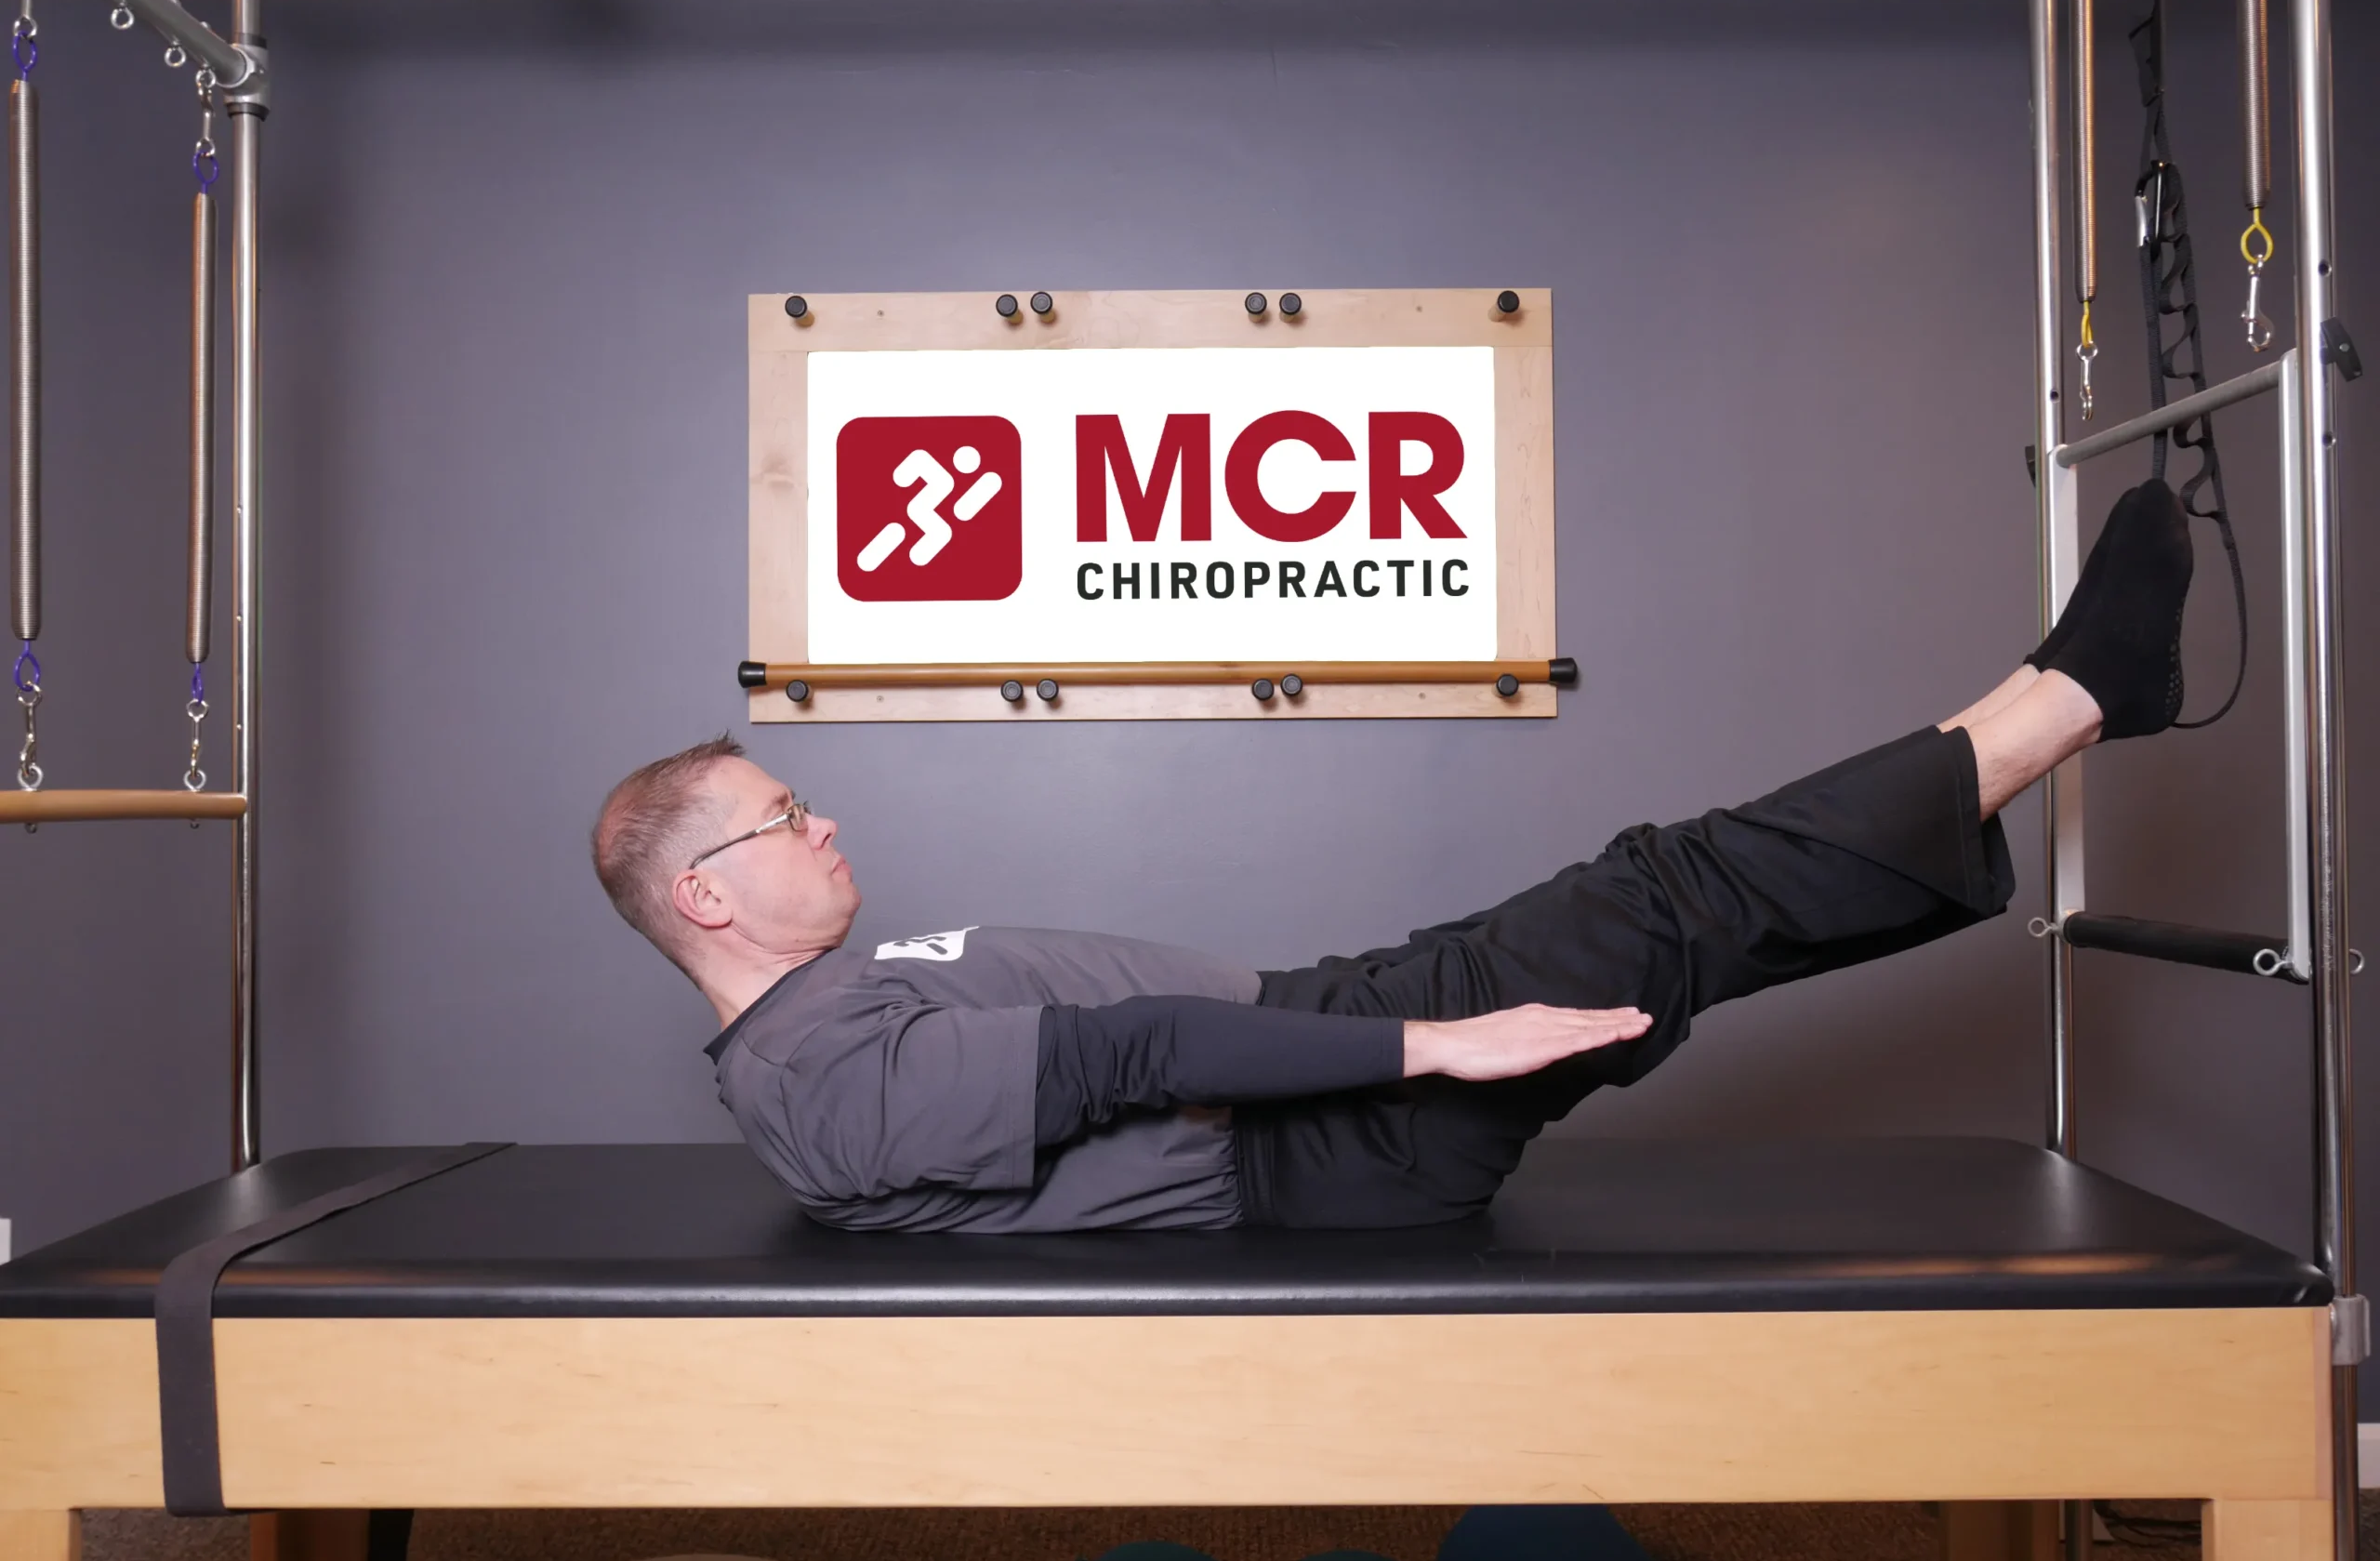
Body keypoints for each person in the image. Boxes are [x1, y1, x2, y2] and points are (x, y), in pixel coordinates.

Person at [592, 481, 2195, 1233]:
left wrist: (1384, 1016)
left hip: (1323, 1034)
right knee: (1670, 897)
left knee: (1679, 912)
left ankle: (2039, 711)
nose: (823, 822)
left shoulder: (821, 1016)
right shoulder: (817, 1080)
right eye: (784, 817)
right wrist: (1440, 1044)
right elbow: (1124, 1053)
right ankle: (2070, 699)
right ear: (703, 894)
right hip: (1333, 1131)